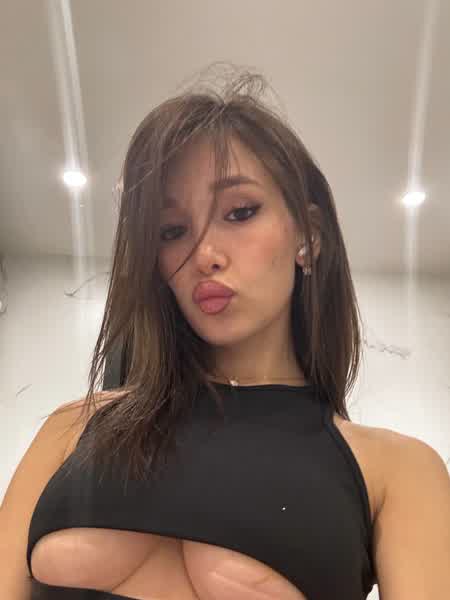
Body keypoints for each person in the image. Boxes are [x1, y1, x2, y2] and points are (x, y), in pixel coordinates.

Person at [2, 63, 449, 600]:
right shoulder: (71, 430)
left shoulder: (396, 471)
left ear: (308, 237)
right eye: (172, 230)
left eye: (239, 212)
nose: (204, 254)